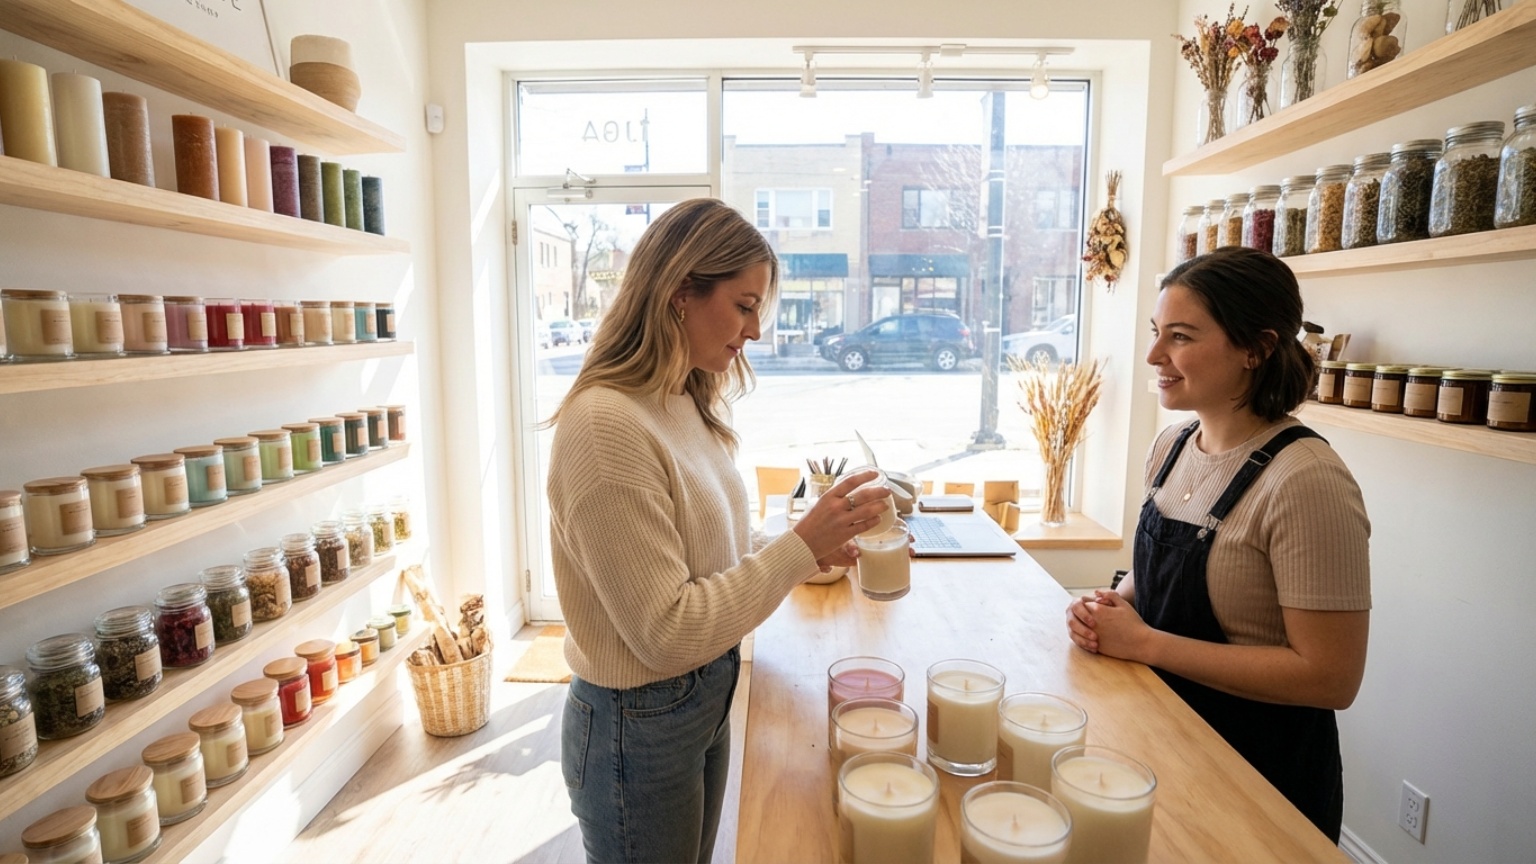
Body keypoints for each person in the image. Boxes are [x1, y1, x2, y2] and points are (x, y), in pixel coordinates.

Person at [544, 198, 892, 864]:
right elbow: (665, 630)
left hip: (702, 694)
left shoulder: (681, 397)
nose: (756, 330)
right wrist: (796, 551)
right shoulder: (603, 427)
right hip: (636, 725)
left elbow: (709, 558)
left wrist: (813, 548)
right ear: (680, 291)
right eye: (744, 304)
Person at [1066, 246, 1371, 841]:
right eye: (1157, 333)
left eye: (1180, 337)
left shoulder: (1306, 480)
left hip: (1259, 774)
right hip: (1165, 736)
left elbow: (1330, 677)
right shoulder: (1174, 446)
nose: (1154, 355)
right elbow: (1155, 580)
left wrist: (1147, 643)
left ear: (1255, 348)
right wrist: (1113, 607)